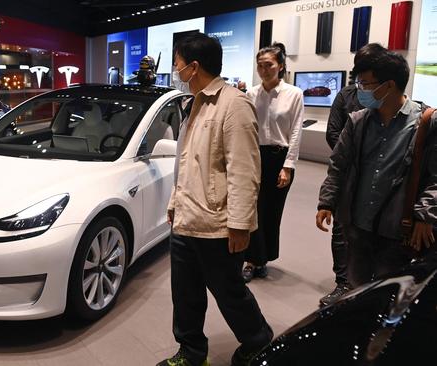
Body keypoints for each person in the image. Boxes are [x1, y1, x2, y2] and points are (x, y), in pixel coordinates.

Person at [159, 32, 273, 366]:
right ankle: (192, 353)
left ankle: (258, 343)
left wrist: (240, 224)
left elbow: (244, 171)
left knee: (230, 293)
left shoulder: (233, 105)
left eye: (178, 64)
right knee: (185, 295)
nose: (176, 71)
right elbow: (187, 162)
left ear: (193, 67)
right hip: (185, 220)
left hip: (216, 225)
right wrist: (173, 204)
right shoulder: (192, 104)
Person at [316, 49, 437, 288]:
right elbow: (338, 165)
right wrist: (326, 202)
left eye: (364, 83)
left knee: (389, 293)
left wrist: (425, 215)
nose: (359, 89)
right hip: (358, 225)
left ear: (389, 85)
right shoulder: (357, 121)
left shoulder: (426, 123)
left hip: (397, 230)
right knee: (356, 287)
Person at [319, 43, 386, 307]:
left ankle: (370, 285)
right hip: (349, 174)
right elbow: (333, 133)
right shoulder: (345, 96)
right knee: (342, 231)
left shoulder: (388, 96)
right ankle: (343, 282)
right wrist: (354, 155)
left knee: (375, 231)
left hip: (379, 177)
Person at [242, 43, 303, 282]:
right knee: (253, 210)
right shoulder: (251, 94)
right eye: (260, 65)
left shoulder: (294, 94)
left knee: (271, 212)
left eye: (269, 65)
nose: (264, 70)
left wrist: (288, 166)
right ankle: (251, 260)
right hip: (254, 157)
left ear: (281, 66)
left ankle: (262, 259)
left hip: (280, 159)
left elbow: (296, 132)